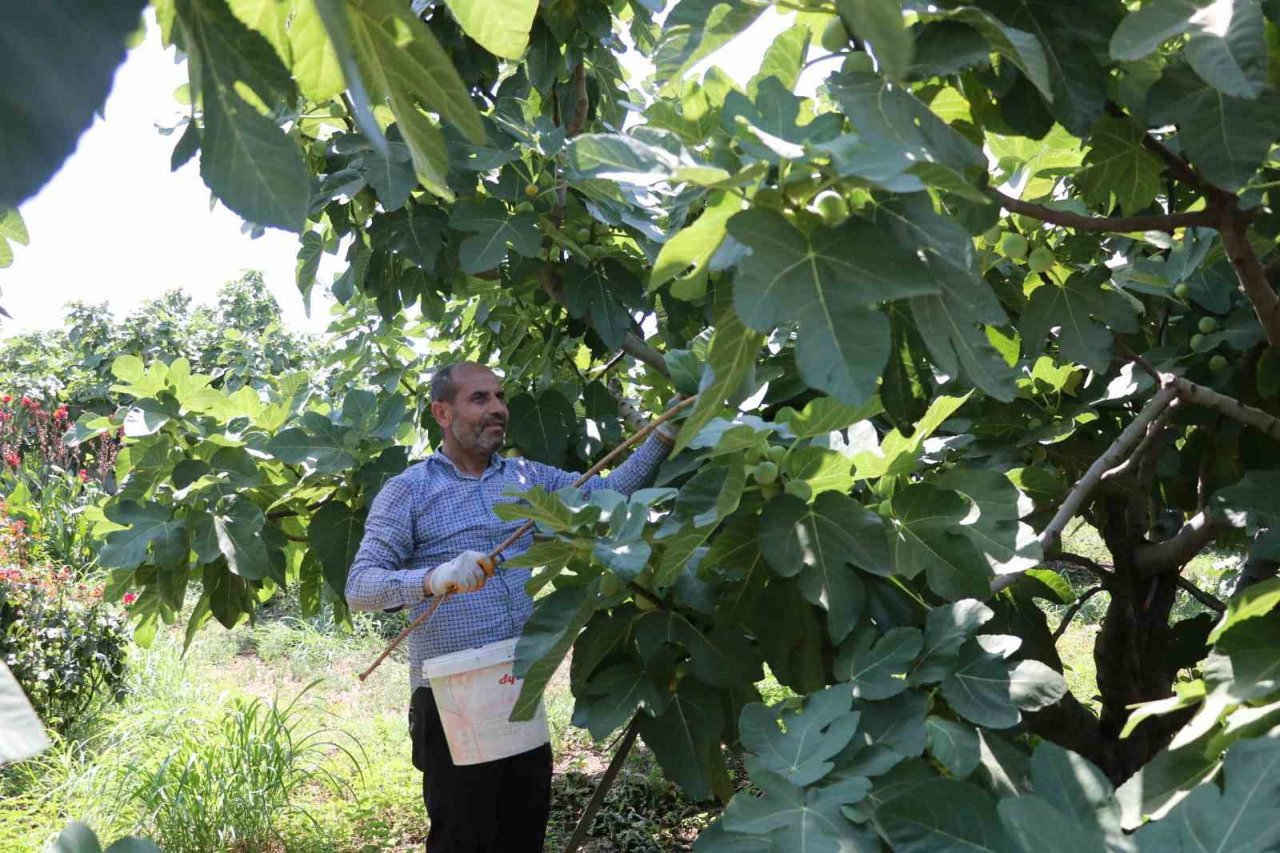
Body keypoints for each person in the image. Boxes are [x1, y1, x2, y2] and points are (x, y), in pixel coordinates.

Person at [345, 361, 675, 853]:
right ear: (442, 412)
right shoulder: (409, 491)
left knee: (523, 832)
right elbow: (360, 586)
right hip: (451, 696)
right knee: (463, 838)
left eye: (500, 397)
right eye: (480, 399)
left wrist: (663, 436)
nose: (498, 409)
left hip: (516, 689)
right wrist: (434, 578)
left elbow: (600, 497)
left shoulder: (527, 479)